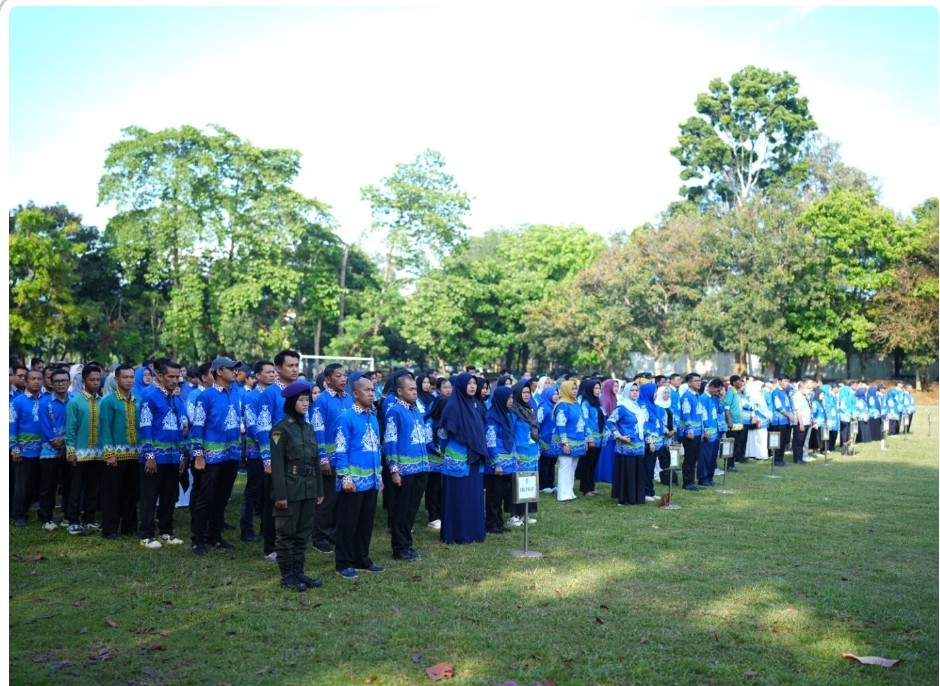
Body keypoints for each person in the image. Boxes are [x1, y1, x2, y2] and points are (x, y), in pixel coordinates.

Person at [270, 380, 324, 591]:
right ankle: (288, 576)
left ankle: (299, 572)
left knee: (303, 533)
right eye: (301, 400)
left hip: (309, 487)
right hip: (290, 489)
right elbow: (277, 465)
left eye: (307, 400)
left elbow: (316, 461)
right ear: (291, 402)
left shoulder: (309, 428)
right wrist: (280, 495)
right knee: (286, 534)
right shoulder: (279, 430)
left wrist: (319, 490)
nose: (305, 403)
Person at [189, 356, 244, 555]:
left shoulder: (236, 393)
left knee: (222, 497)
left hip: (232, 454)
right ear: (219, 371)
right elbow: (198, 426)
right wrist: (198, 455)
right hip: (211, 456)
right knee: (205, 498)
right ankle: (198, 539)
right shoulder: (206, 396)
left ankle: (215, 536)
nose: (235, 372)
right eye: (231, 369)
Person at [333, 374, 384, 578]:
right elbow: (341, 450)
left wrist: (378, 475)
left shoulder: (373, 416)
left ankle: (362, 558)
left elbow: (376, 448)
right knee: (348, 523)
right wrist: (345, 477)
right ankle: (343, 562)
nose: (371, 394)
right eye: (366, 390)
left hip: (371, 479)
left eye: (373, 390)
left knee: (366, 522)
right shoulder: (346, 418)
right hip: (352, 480)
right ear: (355, 393)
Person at [255, 349, 301, 561]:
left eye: (296, 365)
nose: (294, 369)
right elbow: (264, 428)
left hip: (297, 456)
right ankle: (271, 547)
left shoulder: (300, 391)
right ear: (279, 368)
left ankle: (289, 541)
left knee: (294, 500)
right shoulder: (270, 394)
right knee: (273, 501)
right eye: (290, 365)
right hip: (277, 455)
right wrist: (268, 458)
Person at [138, 358, 188, 549]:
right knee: (150, 497)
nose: (175, 380)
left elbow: (181, 428)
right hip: (155, 457)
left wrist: (183, 454)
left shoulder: (174, 397)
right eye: (171, 376)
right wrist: (150, 456)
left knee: (170, 495)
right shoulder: (149, 396)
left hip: (173, 456)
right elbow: (145, 427)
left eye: (177, 376)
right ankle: (147, 535)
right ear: (158, 375)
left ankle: (166, 532)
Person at [383, 374, 429, 560]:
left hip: (420, 467)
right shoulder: (395, 411)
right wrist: (394, 469)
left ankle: (407, 545)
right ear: (400, 391)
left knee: (412, 509)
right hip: (404, 470)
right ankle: (399, 548)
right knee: (401, 510)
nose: (415, 392)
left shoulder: (415, 410)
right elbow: (391, 441)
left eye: (415, 389)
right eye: (411, 389)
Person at [438, 372, 488, 545]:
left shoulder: (476, 404)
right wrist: (443, 449)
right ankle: (457, 533)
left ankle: (474, 531)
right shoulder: (452, 406)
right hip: (458, 458)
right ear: (460, 385)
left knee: (473, 494)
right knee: (458, 495)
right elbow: (443, 432)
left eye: (474, 383)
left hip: (474, 458)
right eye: (469, 383)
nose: (473, 386)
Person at [310, 363, 352, 555]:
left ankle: (335, 533)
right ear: (327, 379)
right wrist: (323, 459)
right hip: (330, 458)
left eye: (345, 376)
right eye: (338, 376)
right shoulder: (322, 401)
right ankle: (320, 537)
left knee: (343, 499)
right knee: (327, 499)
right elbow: (317, 431)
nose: (343, 379)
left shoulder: (350, 399)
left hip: (346, 458)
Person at [97, 364, 141, 539]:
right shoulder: (108, 401)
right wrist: (110, 454)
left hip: (135, 454)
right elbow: (105, 428)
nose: (129, 380)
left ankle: (129, 527)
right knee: (112, 494)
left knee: (131, 493)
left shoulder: (137, 400)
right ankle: (110, 529)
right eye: (125, 377)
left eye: (131, 377)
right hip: (115, 455)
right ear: (116, 380)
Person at [64, 364, 104, 534]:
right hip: (80, 453)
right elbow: (70, 429)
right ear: (84, 381)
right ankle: (72, 520)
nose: (96, 383)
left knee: (93, 488)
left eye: (98, 380)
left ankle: (89, 519)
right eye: (92, 380)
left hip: (98, 454)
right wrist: (71, 451)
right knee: (75, 487)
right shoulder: (75, 402)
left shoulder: (103, 402)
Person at [240, 360, 275, 543]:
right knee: (253, 490)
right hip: (257, 451)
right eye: (268, 372)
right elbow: (252, 426)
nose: (272, 375)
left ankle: (265, 527)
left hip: (275, 450)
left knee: (269, 491)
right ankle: (246, 529)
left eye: (273, 372)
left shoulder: (277, 393)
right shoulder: (251, 397)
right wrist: (267, 442)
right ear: (258, 376)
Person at [36, 368, 71, 530]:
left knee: (70, 484)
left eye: (64, 380)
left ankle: (68, 516)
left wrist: (65, 442)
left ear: (69, 382)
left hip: (70, 449)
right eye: (57, 381)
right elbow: (44, 426)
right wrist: (56, 442)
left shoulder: (75, 400)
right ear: (51, 383)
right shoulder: (44, 402)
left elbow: (75, 426)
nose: (61, 384)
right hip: (49, 450)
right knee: (48, 486)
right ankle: (46, 518)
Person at [9, 369, 44, 527]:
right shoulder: (17, 402)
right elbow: (11, 426)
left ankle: (40, 512)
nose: (36, 381)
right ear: (26, 382)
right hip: (24, 451)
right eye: (33, 379)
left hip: (44, 450)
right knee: (22, 485)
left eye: (39, 378)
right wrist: (14, 447)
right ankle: (19, 515)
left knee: (39, 484)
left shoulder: (47, 400)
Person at [484, 385, 516, 533]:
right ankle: (492, 524)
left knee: (503, 494)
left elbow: (510, 437)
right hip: (496, 464)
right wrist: (496, 463)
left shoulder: (507, 414)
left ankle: (499, 523)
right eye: (508, 398)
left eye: (512, 397)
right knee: (494, 496)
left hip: (508, 462)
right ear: (501, 399)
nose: (511, 400)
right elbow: (490, 442)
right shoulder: (492, 416)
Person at [609, 381, 647, 505]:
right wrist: (619, 436)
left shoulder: (638, 407)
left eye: (637, 390)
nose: (635, 392)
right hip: (626, 447)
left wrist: (648, 439)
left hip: (639, 446)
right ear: (626, 392)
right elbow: (610, 422)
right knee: (628, 472)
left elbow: (643, 426)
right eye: (632, 390)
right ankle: (625, 498)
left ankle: (636, 498)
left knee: (638, 472)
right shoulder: (622, 407)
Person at [507, 380, 539, 526]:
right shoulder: (513, 411)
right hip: (520, 451)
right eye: (524, 392)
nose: (527, 395)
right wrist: (514, 452)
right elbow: (510, 433)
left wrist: (537, 448)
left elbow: (536, 430)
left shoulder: (530, 408)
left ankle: (526, 513)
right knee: (517, 483)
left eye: (528, 392)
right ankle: (514, 515)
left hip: (532, 450)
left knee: (530, 482)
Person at [423, 375, 452, 529]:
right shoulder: (430, 422)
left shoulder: (446, 422)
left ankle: (441, 513)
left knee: (442, 489)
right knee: (433, 489)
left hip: (444, 461)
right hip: (433, 461)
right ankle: (433, 516)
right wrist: (439, 452)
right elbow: (428, 441)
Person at [552, 379, 584, 502]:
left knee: (573, 467)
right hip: (566, 440)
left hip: (577, 440)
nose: (575, 391)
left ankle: (569, 492)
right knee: (565, 466)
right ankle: (562, 494)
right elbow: (561, 425)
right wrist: (564, 443)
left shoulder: (576, 403)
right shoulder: (562, 405)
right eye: (572, 389)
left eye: (576, 388)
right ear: (565, 390)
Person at [638, 382, 666, 501]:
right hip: (648, 442)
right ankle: (645, 492)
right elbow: (644, 425)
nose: (656, 394)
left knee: (651, 466)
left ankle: (650, 491)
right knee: (646, 467)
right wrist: (650, 441)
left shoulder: (652, 405)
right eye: (654, 392)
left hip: (656, 441)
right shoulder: (643, 405)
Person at [578, 379, 604, 497]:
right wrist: (589, 438)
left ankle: (591, 487)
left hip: (599, 437)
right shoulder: (585, 403)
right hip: (591, 438)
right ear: (589, 389)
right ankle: (585, 488)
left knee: (594, 463)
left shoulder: (597, 402)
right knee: (587, 463)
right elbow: (585, 421)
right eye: (595, 388)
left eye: (599, 388)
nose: (598, 390)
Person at [678, 373, 704, 491]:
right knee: (689, 458)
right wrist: (690, 429)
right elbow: (686, 413)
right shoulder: (686, 396)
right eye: (695, 381)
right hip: (690, 433)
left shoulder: (697, 395)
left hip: (698, 431)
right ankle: (687, 483)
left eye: (699, 380)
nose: (698, 382)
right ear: (689, 383)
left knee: (694, 457)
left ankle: (692, 481)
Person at [536, 386, 560, 494]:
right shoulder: (544, 407)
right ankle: (543, 484)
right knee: (545, 462)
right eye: (553, 394)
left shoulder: (556, 407)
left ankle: (551, 483)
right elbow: (537, 424)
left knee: (552, 462)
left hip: (554, 440)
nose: (555, 396)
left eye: (557, 394)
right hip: (545, 439)